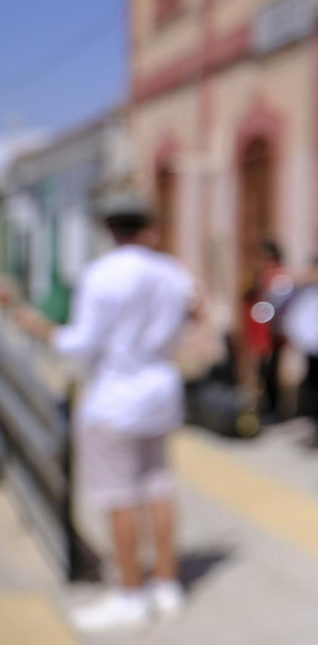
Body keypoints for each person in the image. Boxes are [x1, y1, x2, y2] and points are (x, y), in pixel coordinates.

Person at [0, 193, 197, 633]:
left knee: (120, 497)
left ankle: (130, 592)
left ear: (110, 231)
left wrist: (31, 321)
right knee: (159, 487)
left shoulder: (102, 275)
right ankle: (166, 586)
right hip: (160, 390)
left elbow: (79, 343)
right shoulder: (173, 273)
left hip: (115, 395)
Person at [237, 240, 291, 422]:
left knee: (271, 372)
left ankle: (274, 409)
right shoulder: (257, 277)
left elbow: (277, 304)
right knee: (260, 372)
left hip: (274, 334)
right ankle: (264, 406)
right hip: (260, 333)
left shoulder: (279, 278)